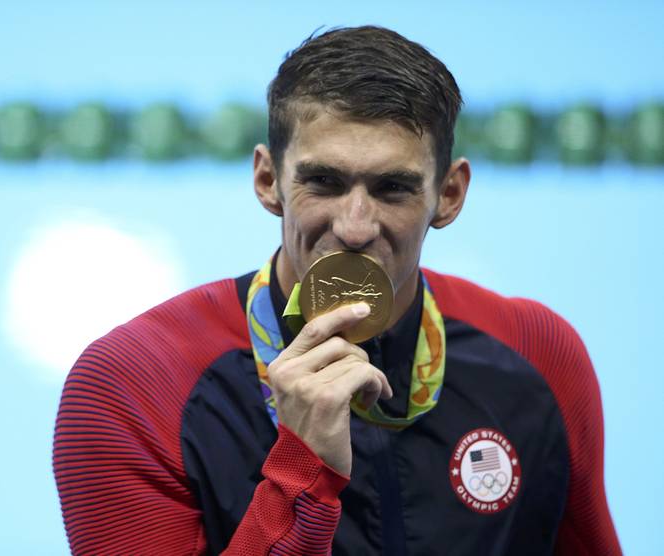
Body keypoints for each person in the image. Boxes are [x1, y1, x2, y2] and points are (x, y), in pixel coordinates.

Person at [52, 25, 621, 555]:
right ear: (268, 180)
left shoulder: (537, 355)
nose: (354, 226)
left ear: (448, 196)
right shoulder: (133, 385)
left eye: (392, 188)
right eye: (323, 182)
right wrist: (300, 474)